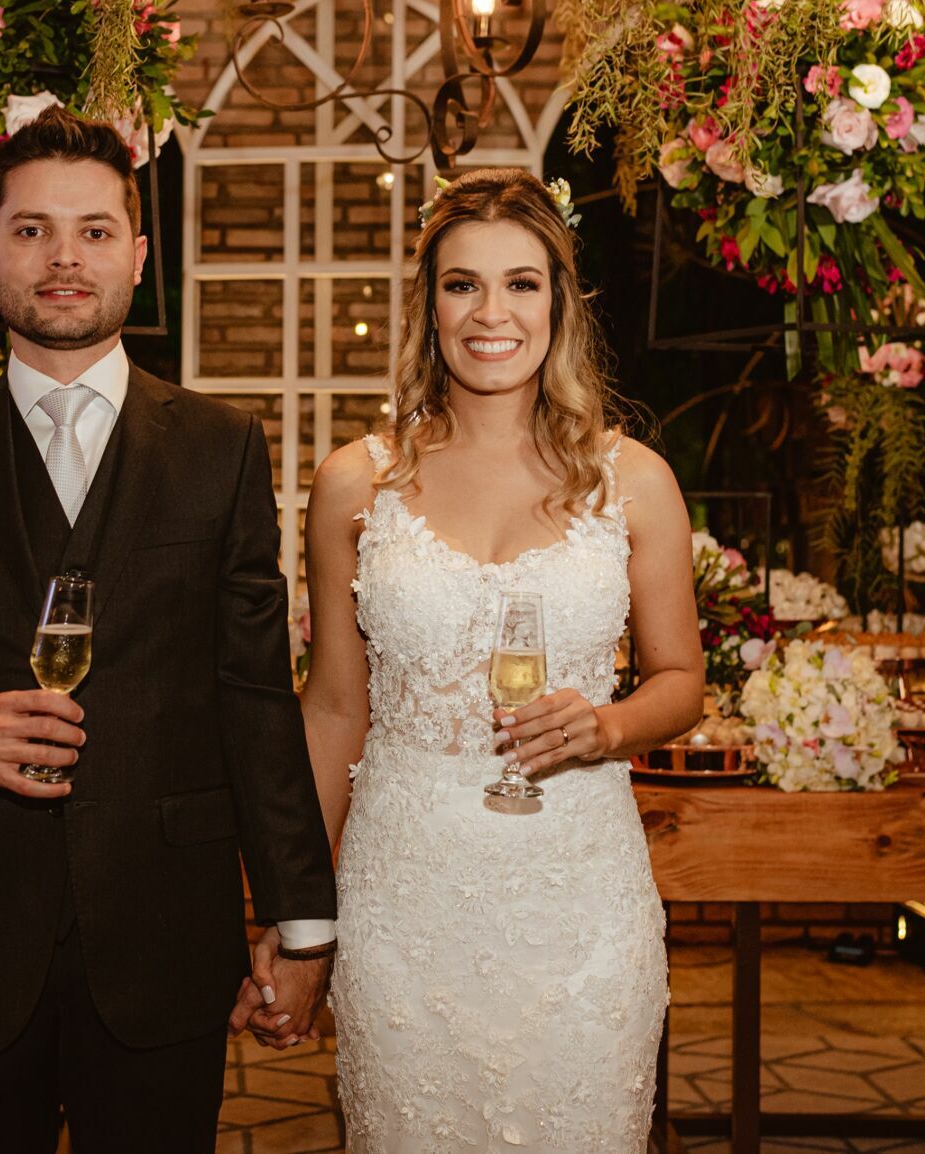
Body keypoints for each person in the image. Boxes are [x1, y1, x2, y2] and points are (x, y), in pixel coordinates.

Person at [0, 105, 337, 1154]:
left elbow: (254, 694)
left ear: (139, 256)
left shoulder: (220, 449)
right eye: (32, 229)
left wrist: (305, 918)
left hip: (164, 936)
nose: (64, 257)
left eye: (94, 230)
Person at [277, 166, 704, 1150]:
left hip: (580, 900)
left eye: (521, 282)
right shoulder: (356, 484)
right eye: (463, 283)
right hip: (404, 904)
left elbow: (681, 680)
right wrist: (298, 909)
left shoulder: (633, 481)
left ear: (559, 299)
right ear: (429, 304)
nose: (491, 312)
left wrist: (606, 724)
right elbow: (336, 708)